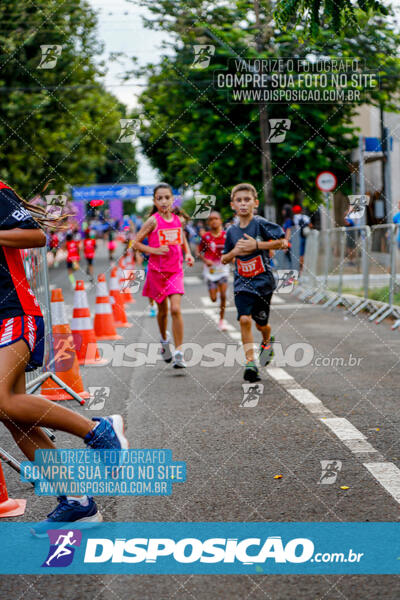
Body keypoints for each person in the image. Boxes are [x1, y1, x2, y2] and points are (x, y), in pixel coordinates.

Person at [0, 181, 128, 535]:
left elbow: (35, 236)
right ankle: (77, 503)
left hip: (13, 312)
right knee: (12, 415)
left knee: (3, 399)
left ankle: (98, 430)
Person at [221, 183, 287, 382]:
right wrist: (235, 252)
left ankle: (267, 341)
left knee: (261, 324)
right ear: (233, 205)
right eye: (239, 200)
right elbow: (224, 258)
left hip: (263, 282)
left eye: (247, 200)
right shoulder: (232, 232)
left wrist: (257, 245)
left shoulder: (260, 224)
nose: (243, 204)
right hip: (242, 283)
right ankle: (250, 363)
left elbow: (282, 242)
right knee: (244, 319)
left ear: (255, 203)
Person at [133, 183, 194, 368]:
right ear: (154, 201)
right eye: (159, 198)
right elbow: (135, 243)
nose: (164, 201)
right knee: (162, 312)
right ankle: (164, 340)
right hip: (157, 273)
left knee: (175, 309)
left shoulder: (178, 220)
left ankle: (179, 353)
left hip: (175, 270)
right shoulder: (153, 221)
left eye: (167, 197)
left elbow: (181, 237)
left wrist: (188, 253)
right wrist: (154, 250)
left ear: (172, 199)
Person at [198, 211, 229, 331]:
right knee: (213, 298)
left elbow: (232, 249)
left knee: (223, 295)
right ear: (208, 223)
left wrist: (231, 258)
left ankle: (221, 320)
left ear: (220, 220)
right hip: (210, 272)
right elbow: (199, 252)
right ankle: (214, 295)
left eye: (216, 218)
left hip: (223, 270)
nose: (213, 221)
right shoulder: (206, 237)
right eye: (211, 219)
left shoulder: (226, 235)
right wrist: (205, 260)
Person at [292, 204, 312, 274]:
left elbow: (295, 227)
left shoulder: (295, 217)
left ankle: (301, 269)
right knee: (305, 252)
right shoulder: (305, 217)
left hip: (298, 237)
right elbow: (310, 225)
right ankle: (305, 268)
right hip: (306, 236)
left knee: (300, 253)